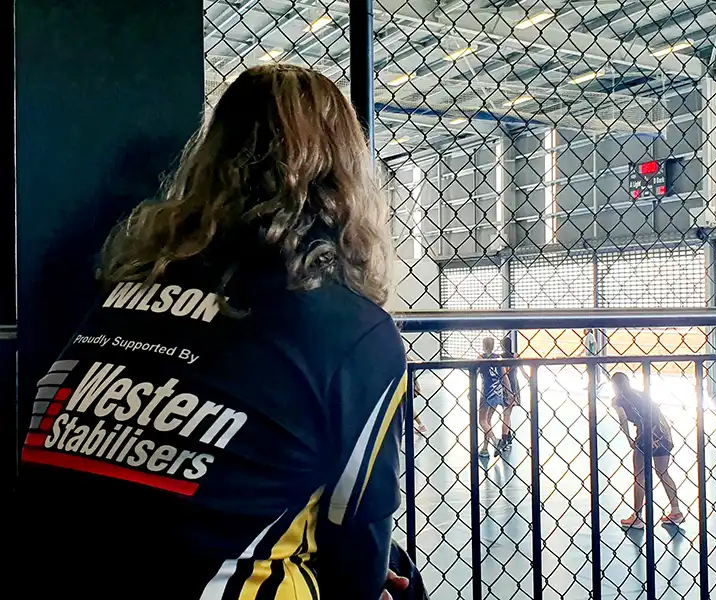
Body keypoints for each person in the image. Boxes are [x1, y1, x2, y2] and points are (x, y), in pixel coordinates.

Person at [17, 64, 408, 600]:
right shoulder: (356, 332)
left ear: (210, 162)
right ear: (346, 176)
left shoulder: (125, 294)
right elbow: (359, 558)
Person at [611, 373, 684, 528]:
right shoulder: (642, 394)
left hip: (645, 436)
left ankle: (637, 517)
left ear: (614, 386)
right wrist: (661, 435)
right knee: (663, 472)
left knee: (639, 475)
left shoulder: (617, 400)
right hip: (662, 434)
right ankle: (676, 511)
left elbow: (622, 419)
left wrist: (629, 438)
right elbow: (656, 413)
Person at [478, 337, 510, 458]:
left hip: (486, 391)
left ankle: (495, 441)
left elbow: (474, 374)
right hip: (497, 391)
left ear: (483, 345)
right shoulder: (498, 358)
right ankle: (485, 449)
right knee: (488, 420)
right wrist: (509, 391)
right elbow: (504, 376)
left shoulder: (481, 358)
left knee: (482, 420)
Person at [498, 336, 519, 452]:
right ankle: (509, 435)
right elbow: (520, 369)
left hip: (505, 386)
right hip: (514, 384)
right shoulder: (515, 356)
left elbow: (503, 373)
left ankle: (504, 438)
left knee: (506, 413)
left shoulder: (501, 358)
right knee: (508, 413)